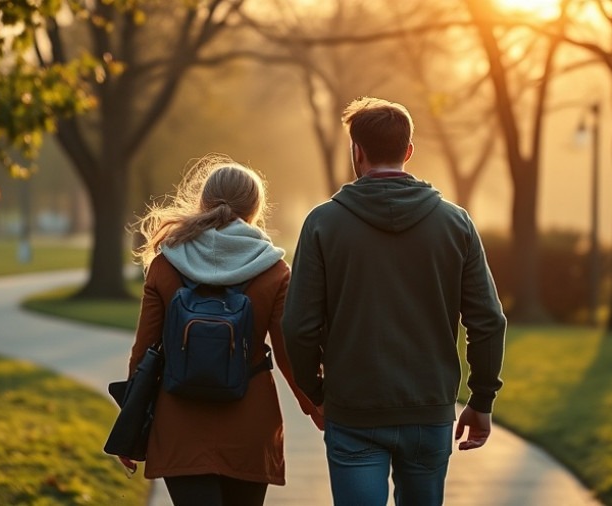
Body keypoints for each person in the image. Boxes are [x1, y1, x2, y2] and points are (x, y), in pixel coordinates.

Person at [282, 97, 507, 506]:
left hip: (353, 410)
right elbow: (488, 321)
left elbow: (298, 325)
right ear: (408, 151)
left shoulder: (323, 223)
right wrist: (482, 399)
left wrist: (317, 392)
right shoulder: (456, 223)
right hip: (429, 408)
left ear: (357, 151)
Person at [123, 154, 324, 506]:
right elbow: (291, 354)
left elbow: (143, 353)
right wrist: (317, 408)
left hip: (179, 424)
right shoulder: (274, 270)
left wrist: (131, 423)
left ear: (203, 201)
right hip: (250, 424)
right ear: (255, 209)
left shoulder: (166, 262)